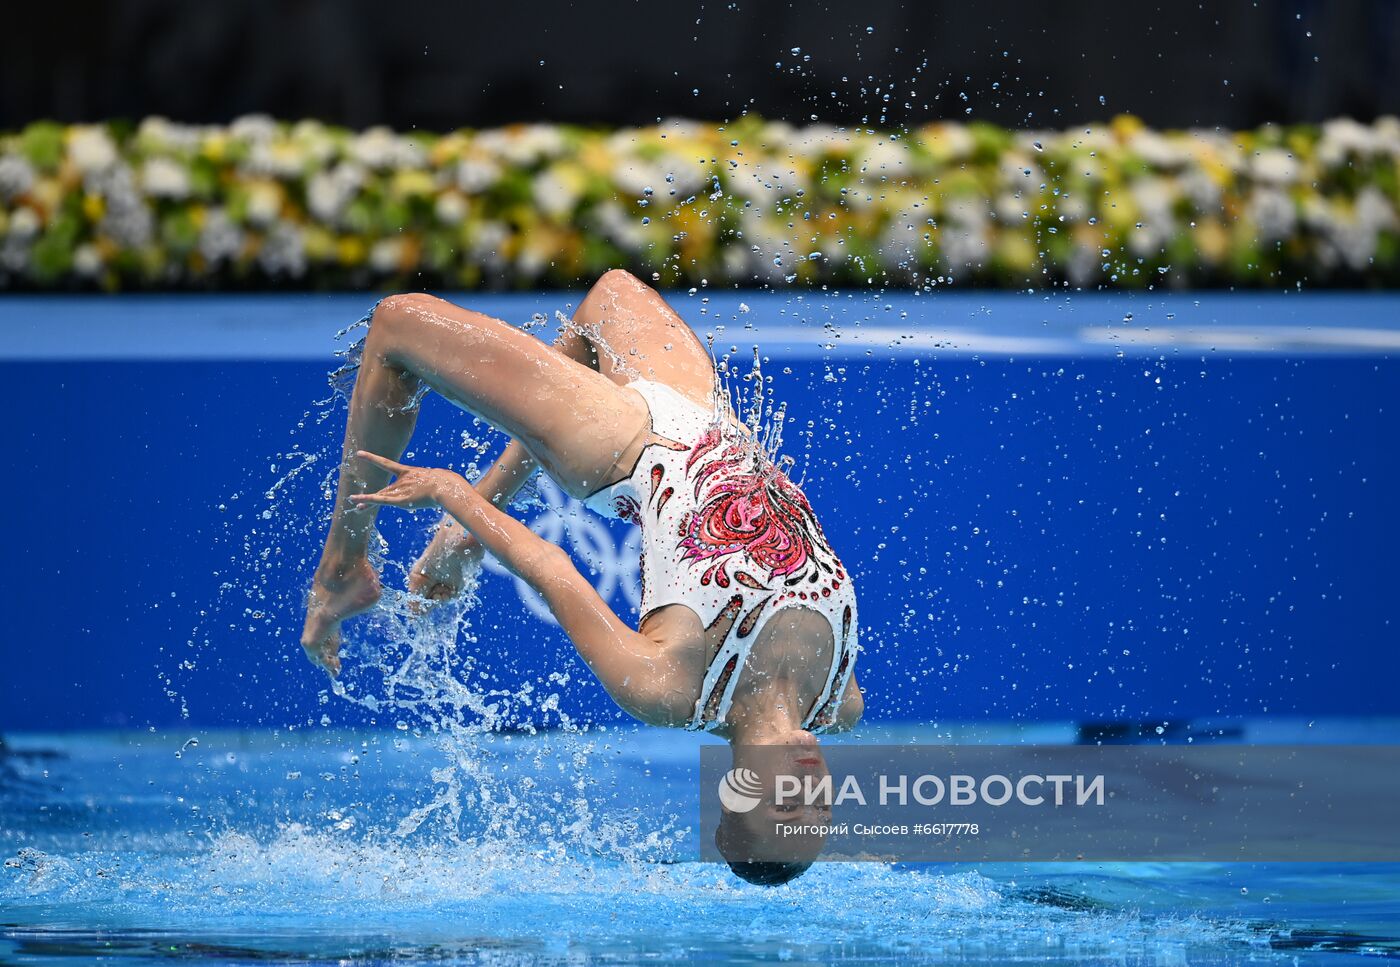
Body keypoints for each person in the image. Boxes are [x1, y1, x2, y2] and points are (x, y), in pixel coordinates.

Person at [300, 269, 862, 884]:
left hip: (622, 449)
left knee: (399, 324)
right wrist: (464, 536)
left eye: (787, 802)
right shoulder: (838, 699)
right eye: (822, 805)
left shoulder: (669, 689)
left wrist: (452, 493)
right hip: (703, 414)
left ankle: (341, 567)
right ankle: (456, 543)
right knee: (611, 293)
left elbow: (552, 569)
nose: (810, 785)